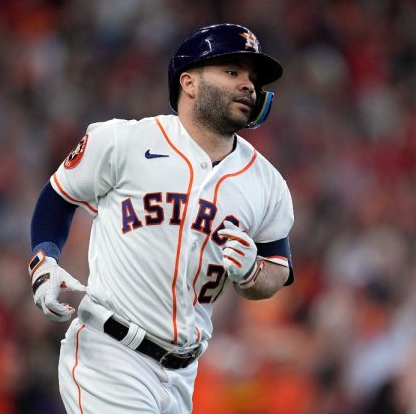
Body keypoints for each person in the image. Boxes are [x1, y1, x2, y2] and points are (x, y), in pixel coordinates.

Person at [27, 23, 295, 413]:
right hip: (111, 354)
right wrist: (44, 259)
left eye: (252, 78)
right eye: (232, 72)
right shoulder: (125, 142)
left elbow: (277, 269)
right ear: (189, 82)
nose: (248, 85)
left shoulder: (267, 182)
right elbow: (59, 196)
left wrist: (254, 273)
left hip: (183, 375)